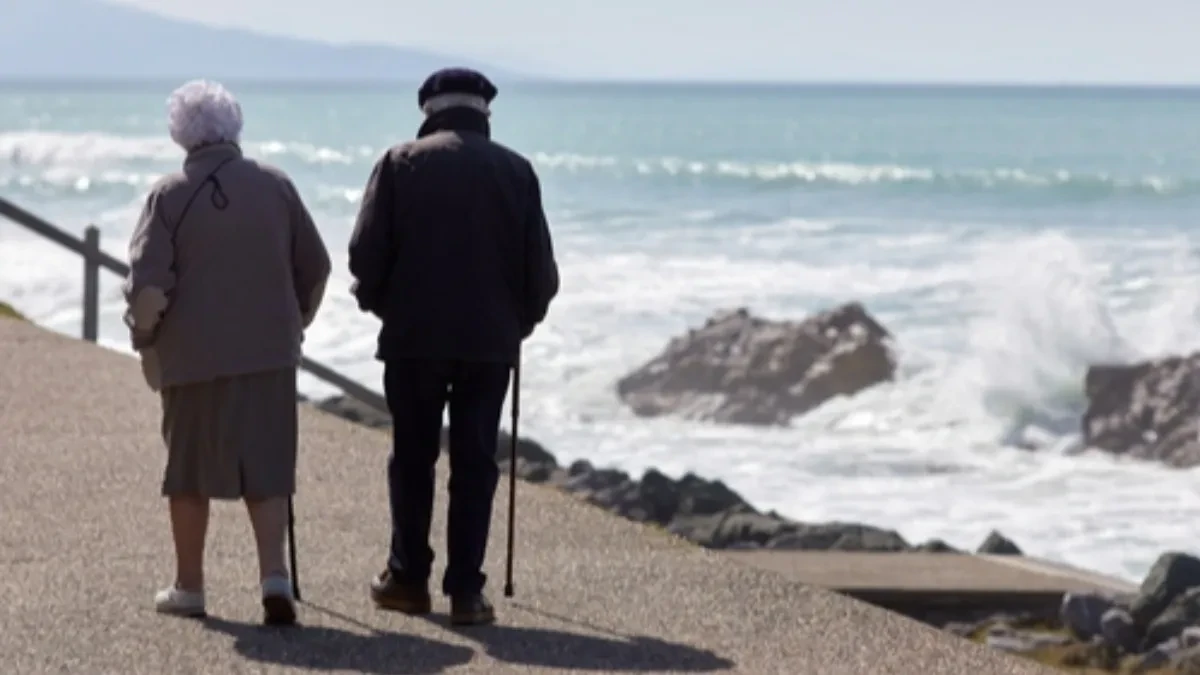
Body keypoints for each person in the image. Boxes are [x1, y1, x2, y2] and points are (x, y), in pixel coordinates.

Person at [349, 67, 559, 625]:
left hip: (414, 338)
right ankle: (467, 591)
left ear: (429, 111)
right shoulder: (517, 171)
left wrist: (381, 304)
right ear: (484, 113)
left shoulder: (399, 164)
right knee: (476, 462)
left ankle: (408, 579)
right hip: (490, 342)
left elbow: (364, 258)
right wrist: (518, 324)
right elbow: (540, 275)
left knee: (412, 457)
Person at [123, 79, 332, 625]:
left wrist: (144, 340)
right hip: (269, 352)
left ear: (180, 134)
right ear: (234, 127)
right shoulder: (277, 186)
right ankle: (274, 578)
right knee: (266, 467)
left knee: (188, 471)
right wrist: (295, 325)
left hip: (191, 358)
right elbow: (316, 268)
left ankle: (190, 587)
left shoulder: (167, 195)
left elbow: (148, 290)